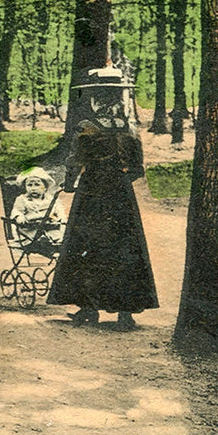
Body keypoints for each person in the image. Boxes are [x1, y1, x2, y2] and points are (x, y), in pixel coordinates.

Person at [47, 67, 158, 330]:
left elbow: (75, 161)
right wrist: (118, 180)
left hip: (93, 193)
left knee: (87, 244)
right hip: (121, 197)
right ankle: (125, 313)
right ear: (119, 99)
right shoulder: (129, 128)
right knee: (125, 248)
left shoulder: (87, 128)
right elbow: (137, 168)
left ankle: (88, 308)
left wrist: (71, 183)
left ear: (95, 99)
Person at [10, 167, 65, 245]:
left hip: (49, 227)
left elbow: (59, 209)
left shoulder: (50, 199)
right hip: (30, 228)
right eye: (29, 185)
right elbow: (17, 210)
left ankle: (52, 241)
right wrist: (19, 216)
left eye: (37, 185)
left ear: (45, 187)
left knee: (59, 234)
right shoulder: (22, 199)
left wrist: (60, 217)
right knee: (32, 235)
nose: (33, 188)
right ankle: (41, 240)